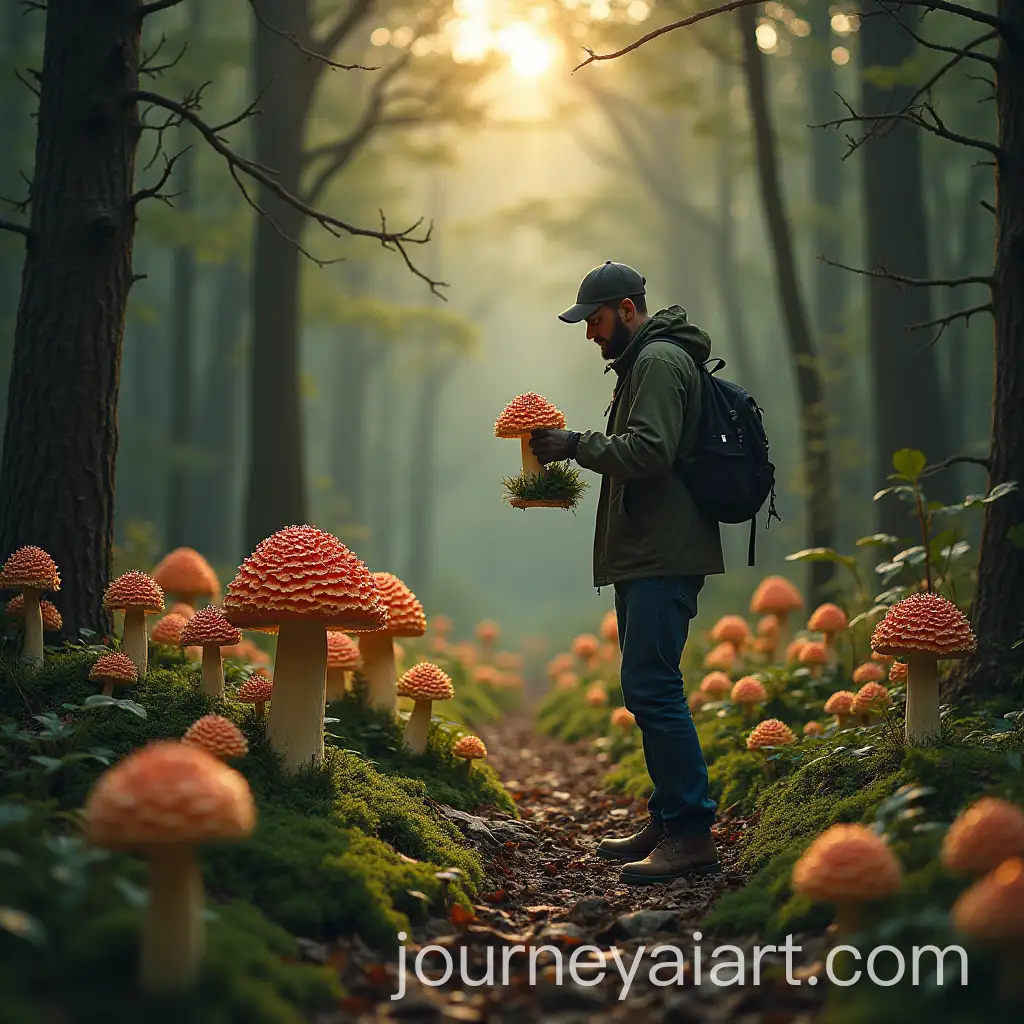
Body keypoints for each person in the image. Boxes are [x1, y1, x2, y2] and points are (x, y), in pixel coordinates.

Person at [530, 261, 724, 885]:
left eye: (595, 319)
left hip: (663, 556)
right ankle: (668, 818)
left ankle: (691, 833)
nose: (590, 332)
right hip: (648, 553)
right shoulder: (646, 362)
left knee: (655, 688)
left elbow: (651, 451)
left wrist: (575, 444)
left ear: (627, 309)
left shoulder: (659, 363)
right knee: (647, 687)